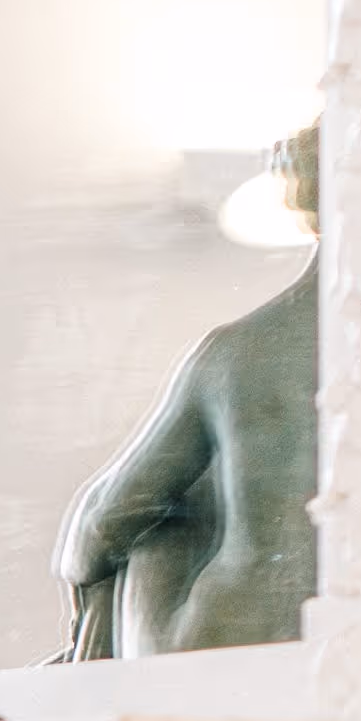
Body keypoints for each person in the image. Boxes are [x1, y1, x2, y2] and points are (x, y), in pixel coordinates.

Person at [51, 124, 319, 660]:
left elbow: (99, 529)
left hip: (217, 641)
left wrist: (91, 609)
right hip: (351, 628)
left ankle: (85, 656)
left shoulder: (237, 353)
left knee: (168, 508)